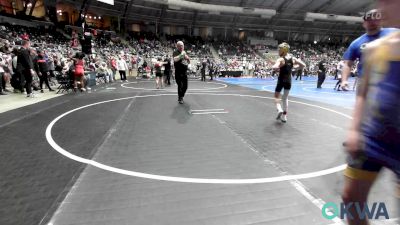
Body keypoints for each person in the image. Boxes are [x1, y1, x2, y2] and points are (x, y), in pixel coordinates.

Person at [342, 1, 400, 225]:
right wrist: (355, 130)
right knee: (350, 198)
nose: (379, 11)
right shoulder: (374, 48)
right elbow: (363, 94)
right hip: (374, 136)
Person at [341, 9, 398, 91]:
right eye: (369, 20)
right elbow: (347, 64)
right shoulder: (356, 43)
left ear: (381, 21)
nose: (373, 23)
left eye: (376, 20)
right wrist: (344, 81)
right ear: (364, 24)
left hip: (392, 82)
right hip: (367, 85)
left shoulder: (394, 33)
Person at [272, 42, 305, 123]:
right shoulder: (293, 59)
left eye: (279, 49)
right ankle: (284, 116)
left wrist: (274, 67)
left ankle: (279, 109)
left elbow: (275, 66)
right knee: (285, 98)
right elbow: (303, 65)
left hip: (281, 80)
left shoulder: (281, 59)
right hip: (289, 81)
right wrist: (294, 69)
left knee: (276, 96)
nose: (278, 51)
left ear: (284, 50)